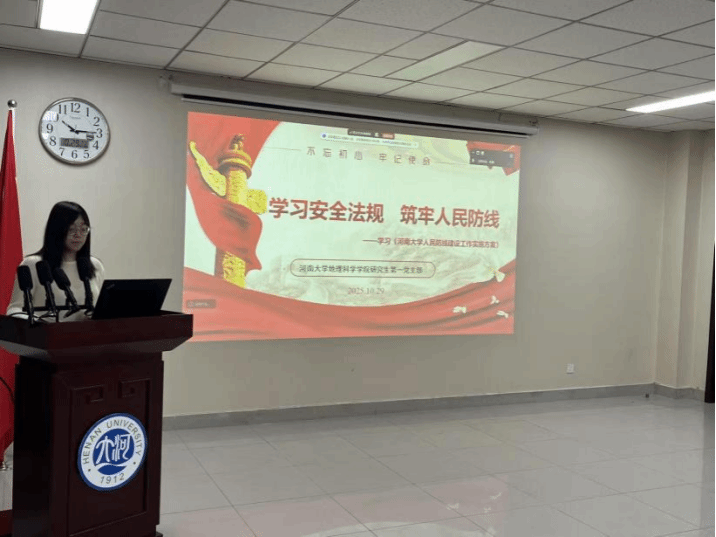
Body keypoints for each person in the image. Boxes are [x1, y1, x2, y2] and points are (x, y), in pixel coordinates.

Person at [6, 201, 105, 322]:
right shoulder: (34, 264)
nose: (78, 235)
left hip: (87, 334)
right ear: (57, 230)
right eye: (71, 229)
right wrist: (40, 323)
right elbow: (14, 309)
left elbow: (101, 310)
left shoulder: (95, 265)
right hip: (45, 332)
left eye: (84, 229)